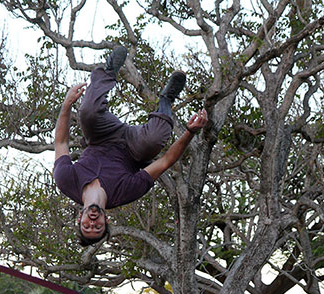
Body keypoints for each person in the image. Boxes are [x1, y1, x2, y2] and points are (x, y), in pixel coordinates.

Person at [53, 45, 208, 246]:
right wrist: (190, 132)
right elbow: (165, 161)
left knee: (87, 112)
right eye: (98, 227)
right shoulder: (125, 193)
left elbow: (61, 141)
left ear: (79, 219)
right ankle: (166, 99)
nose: (93, 223)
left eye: (87, 226)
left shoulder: (66, 181)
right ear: (106, 220)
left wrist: (66, 104)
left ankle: (108, 72)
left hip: (100, 136)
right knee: (155, 138)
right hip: (133, 149)